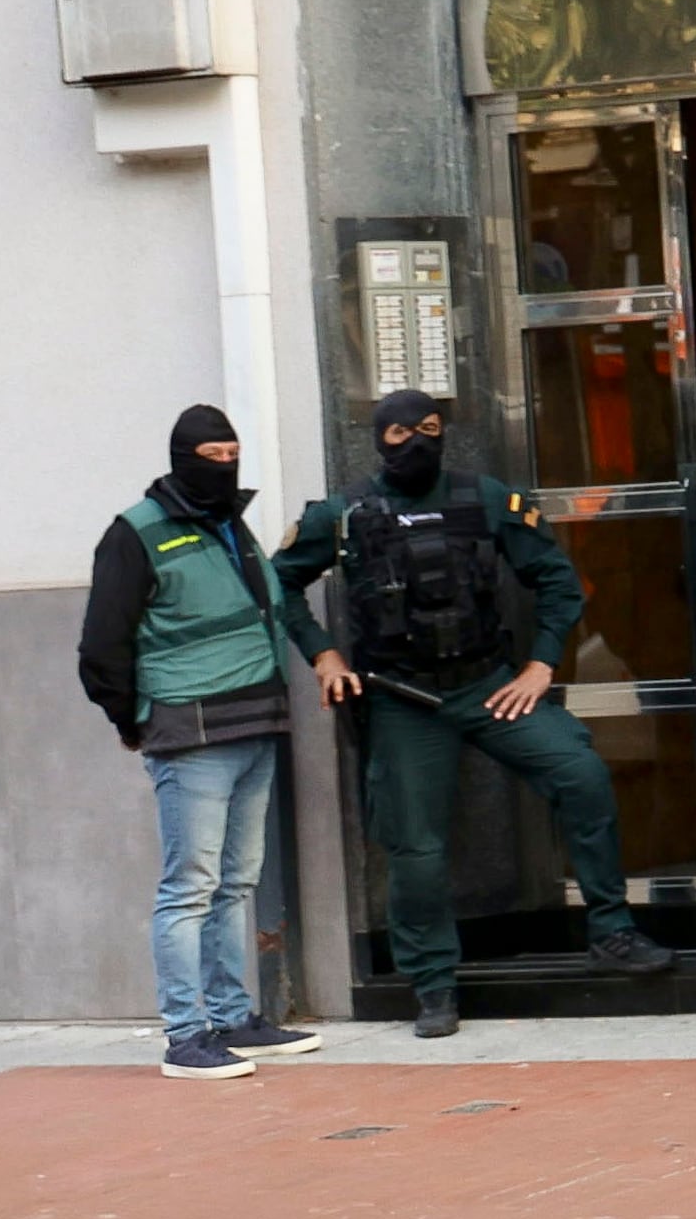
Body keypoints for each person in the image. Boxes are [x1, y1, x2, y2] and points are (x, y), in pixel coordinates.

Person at [275, 387, 668, 1040]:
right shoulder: (345, 512)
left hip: (486, 687)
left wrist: (541, 664)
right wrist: (322, 656)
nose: (418, 442)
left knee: (581, 774)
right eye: (402, 433)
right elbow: (279, 579)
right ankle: (432, 986)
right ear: (379, 438)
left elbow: (557, 579)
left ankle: (613, 933)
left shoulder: (483, 497)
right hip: (402, 699)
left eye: (430, 428)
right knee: (416, 848)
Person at [74, 404, 321, 1080]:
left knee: (235, 883)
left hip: (257, 723)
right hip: (190, 735)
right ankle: (186, 1035)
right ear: (183, 459)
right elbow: (101, 647)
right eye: (210, 456)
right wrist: (132, 721)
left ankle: (234, 1018)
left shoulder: (228, 523)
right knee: (190, 887)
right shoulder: (136, 533)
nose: (224, 467)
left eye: (231, 455)